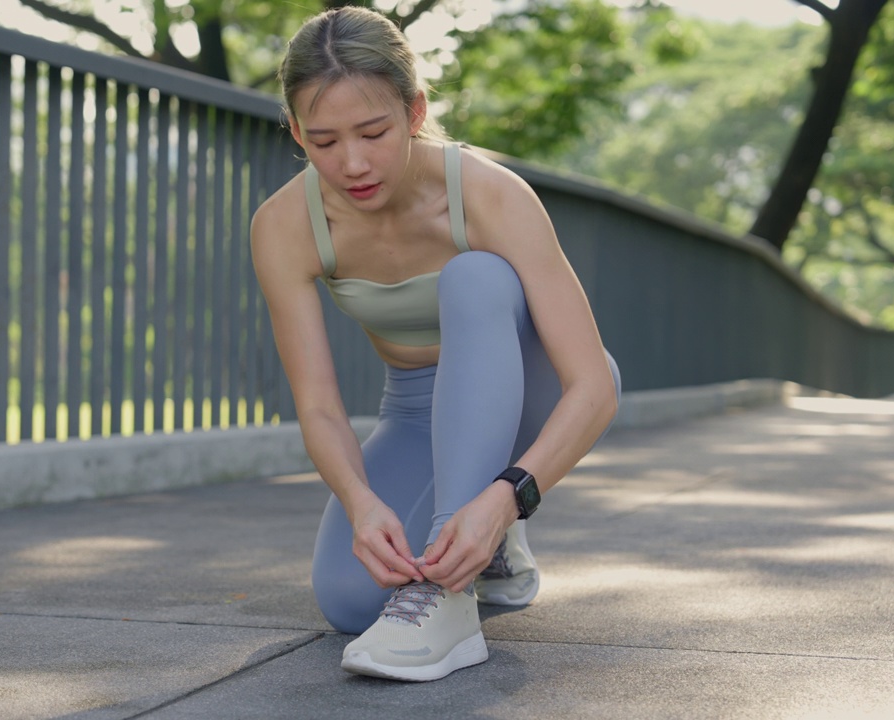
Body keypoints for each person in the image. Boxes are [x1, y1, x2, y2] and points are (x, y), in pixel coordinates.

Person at [250, 6, 622, 682]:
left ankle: (452, 596)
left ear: (416, 111)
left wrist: (508, 495)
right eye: (324, 141)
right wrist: (363, 507)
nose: (352, 163)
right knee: (351, 599)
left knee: (475, 276)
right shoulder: (283, 225)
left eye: (373, 132)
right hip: (416, 410)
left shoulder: (487, 194)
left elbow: (594, 385)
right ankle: (486, 545)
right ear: (297, 133)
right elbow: (320, 406)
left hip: (527, 394)